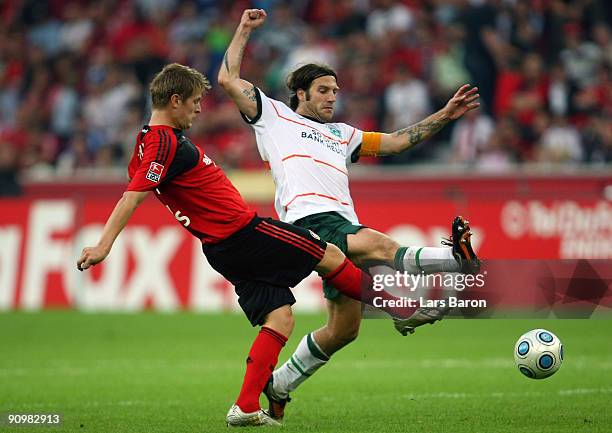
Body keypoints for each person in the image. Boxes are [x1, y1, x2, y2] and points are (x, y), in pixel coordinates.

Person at [76, 63, 427, 427]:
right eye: (195, 101)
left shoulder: (147, 141)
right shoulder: (164, 141)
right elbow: (135, 193)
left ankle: (245, 406)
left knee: (280, 318)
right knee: (331, 254)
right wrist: (104, 245)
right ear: (175, 100)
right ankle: (401, 308)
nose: (199, 109)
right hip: (245, 233)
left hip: (218, 248)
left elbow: (140, 179)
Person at [218, 9, 482, 421]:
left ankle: (280, 384)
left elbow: (395, 143)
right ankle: (454, 260)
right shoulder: (273, 117)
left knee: (344, 330)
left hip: (340, 220)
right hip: (308, 221)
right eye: (323, 90)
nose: (331, 97)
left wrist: (445, 115)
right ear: (301, 94)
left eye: (335, 91)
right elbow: (228, 79)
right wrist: (244, 30)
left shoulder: (344, 135)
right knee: (379, 244)